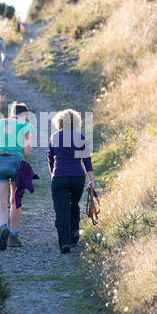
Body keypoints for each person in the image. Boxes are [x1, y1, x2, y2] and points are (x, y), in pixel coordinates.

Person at [47, 109, 94, 254]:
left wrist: (53, 173)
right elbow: (87, 160)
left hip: (60, 176)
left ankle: (64, 242)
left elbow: (50, 157)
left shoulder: (55, 137)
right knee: (73, 205)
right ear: (76, 122)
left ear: (60, 122)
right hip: (77, 177)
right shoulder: (81, 138)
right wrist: (92, 180)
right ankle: (74, 237)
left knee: (61, 210)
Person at [0, 102, 34, 250]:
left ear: (11, 112)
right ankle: (14, 236)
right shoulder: (26, 126)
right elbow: (27, 151)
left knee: (1, 204)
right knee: (15, 202)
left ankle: (3, 227)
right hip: (17, 165)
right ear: (25, 115)